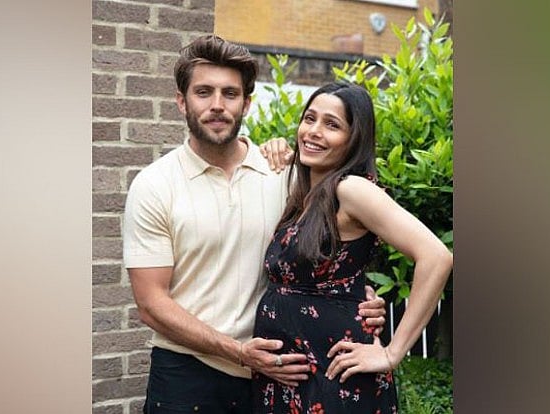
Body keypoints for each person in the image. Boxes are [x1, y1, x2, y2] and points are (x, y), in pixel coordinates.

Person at [122, 35, 387, 414]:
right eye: (203, 92)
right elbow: (151, 304)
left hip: (279, 376)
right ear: (182, 101)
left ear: (246, 103)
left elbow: (332, 252)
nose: (217, 105)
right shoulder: (154, 186)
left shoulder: (285, 174)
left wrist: (359, 296)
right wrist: (238, 352)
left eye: (230, 94)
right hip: (187, 374)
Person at [251, 81, 453, 413]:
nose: (314, 131)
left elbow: (437, 256)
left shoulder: (351, 190)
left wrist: (392, 353)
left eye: (332, 125)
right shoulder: (305, 196)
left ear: (353, 139)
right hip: (290, 377)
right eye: (310, 119)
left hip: (333, 375)